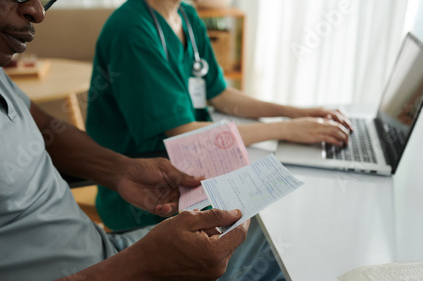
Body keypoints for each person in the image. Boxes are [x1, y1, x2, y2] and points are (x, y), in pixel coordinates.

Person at [0, 1, 286, 281]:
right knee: (284, 259)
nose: (38, 12)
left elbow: (40, 127)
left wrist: (120, 169)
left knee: (277, 221)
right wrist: (139, 270)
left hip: (107, 254)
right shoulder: (132, 28)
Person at [86, 0, 354, 231]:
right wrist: (287, 129)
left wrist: (295, 113)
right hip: (150, 196)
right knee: (279, 222)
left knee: (285, 205)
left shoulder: (187, 18)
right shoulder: (132, 31)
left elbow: (220, 95)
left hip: (194, 169)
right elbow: (181, 130)